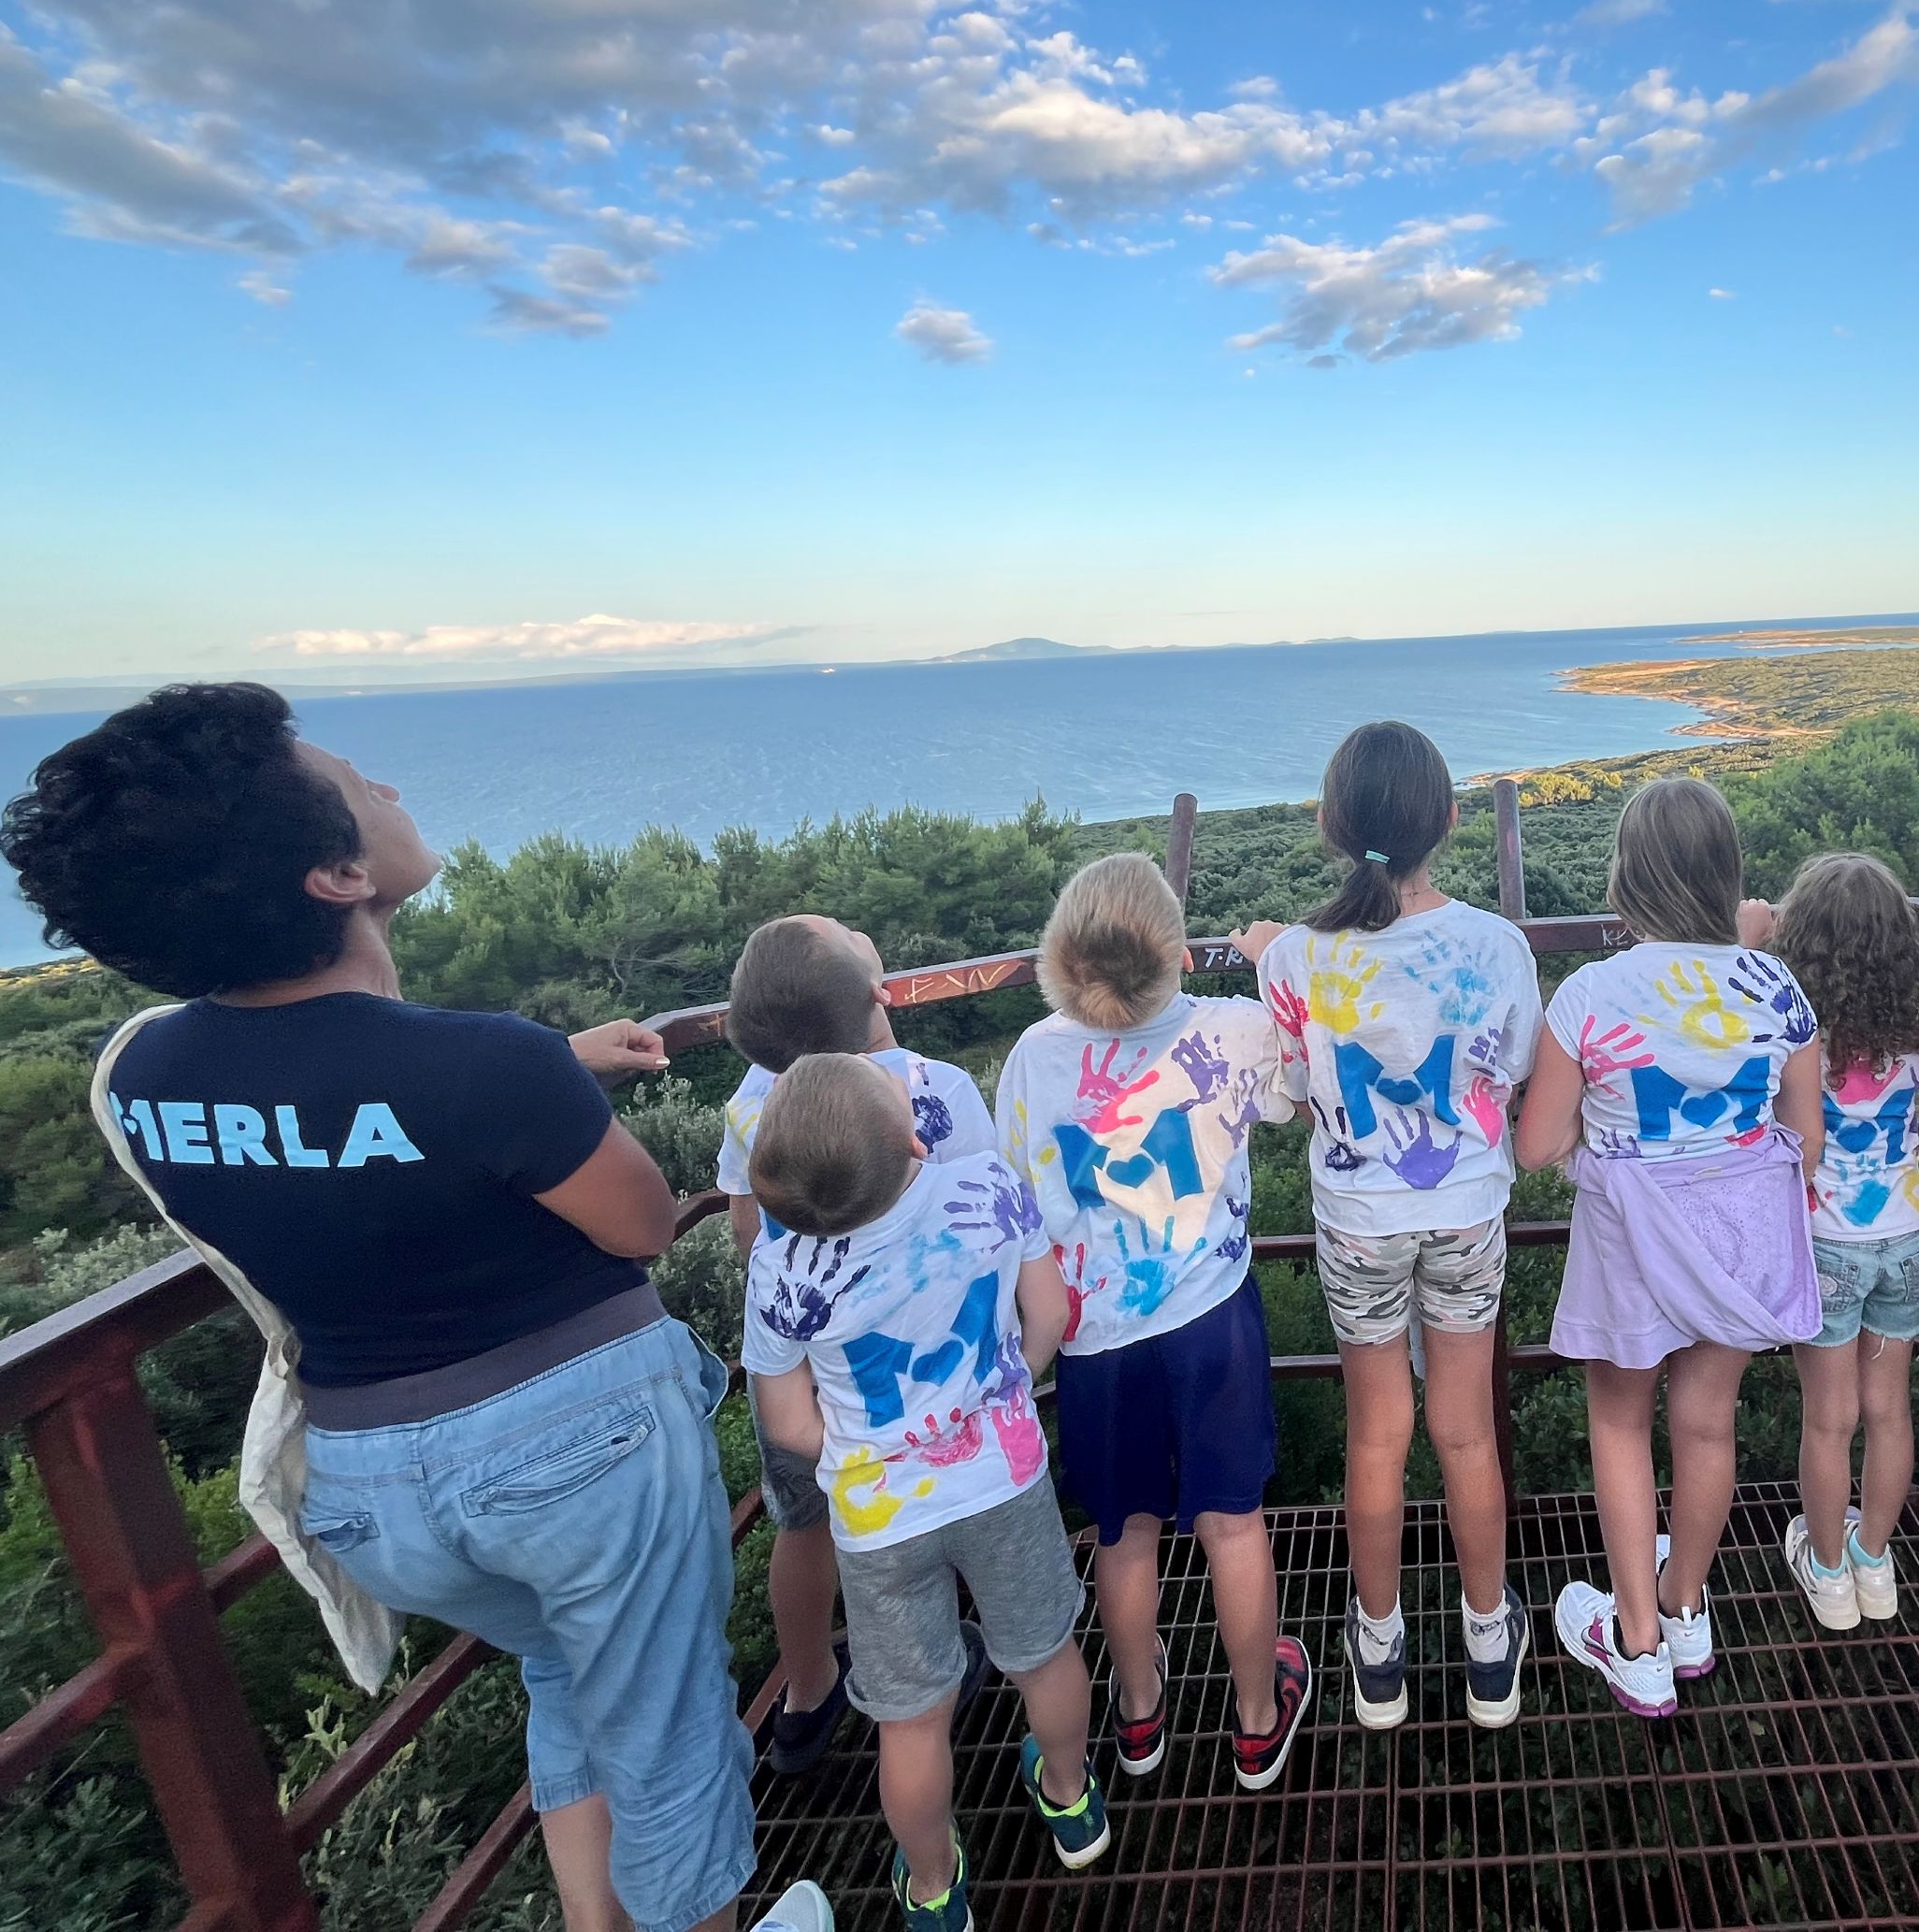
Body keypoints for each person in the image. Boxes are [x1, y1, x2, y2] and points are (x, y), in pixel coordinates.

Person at [0, 684, 752, 1932]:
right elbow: (636, 1228)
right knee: (669, 1736)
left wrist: (542, 1076)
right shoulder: (486, 1064)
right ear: (338, 876)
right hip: (580, 1463)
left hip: (369, 1490)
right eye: (361, 784)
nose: (393, 789)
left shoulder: (143, 1074)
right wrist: (541, 1084)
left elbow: (328, 1119)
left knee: (568, 1677)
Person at [744, 1054, 1104, 1930]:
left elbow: (786, 1422)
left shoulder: (781, 1268)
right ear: (912, 1138)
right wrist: (1010, 1388)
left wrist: (867, 1452)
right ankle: (1071, 1803)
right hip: (1002, 1477)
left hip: (879, 1517)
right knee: (1044, 1655)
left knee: (910, 1719)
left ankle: (936, 1891)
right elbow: (1049, 1314)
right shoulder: (987, 1187)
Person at [1234, 722, 1539, 1733]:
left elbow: (1291, 1093)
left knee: (1378, 1435)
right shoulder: (1497, 946)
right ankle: (1488, 1645)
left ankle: (1378, 1654)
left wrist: (1267, 957)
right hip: (1466, 1214)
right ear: (1448, 820)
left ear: (1331, 826)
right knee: (1465, 1429)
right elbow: (1511, 1068)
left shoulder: (1294, 957)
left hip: (1358, 1222)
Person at [993, 853, 1313, 1788]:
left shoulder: (1033, 1058)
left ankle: (1139, 1717)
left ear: (1063, 953)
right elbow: (1298, 1093)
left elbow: (1020, 1204)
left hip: (1094, 1341)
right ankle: (1256, 1722)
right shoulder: (1232, 1029)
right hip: (1213, 1320)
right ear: (1174, 950)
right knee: (1233, 1524)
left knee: (1124, 1533)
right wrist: (1271, 961)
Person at [1514, 777, 1824, 1718]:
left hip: (1630, 1241)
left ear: (1627, 874)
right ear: (1726, 871)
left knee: (1620, 1424)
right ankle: (1685, 1606)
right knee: (1706, 1424)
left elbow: (1536, 1145)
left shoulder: (1589, 995)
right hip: (1739, 1241)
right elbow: (1805, 1137)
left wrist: (1596, 1135)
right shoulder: (1777, 987)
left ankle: (1636, 1640)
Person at [717, 913, 994, 1775]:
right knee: (940, 1506)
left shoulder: (754, 1101)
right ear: (878, 995)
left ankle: (806, 1696)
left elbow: (746, 1229)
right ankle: (955, 1661)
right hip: (919, 1359)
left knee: (805, 1524)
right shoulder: (937, 1088)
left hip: (797, 1360)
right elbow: (984, 1206)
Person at [1740, 854, 1919, 1633]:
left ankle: (1828, 1574)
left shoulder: (1792, 1025)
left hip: (1824, 1240)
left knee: (1829, 1419)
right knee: (1889, 1412)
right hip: (1904, 1236)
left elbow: (1737, 1022)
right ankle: (1874, 1558)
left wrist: (1753, 940)